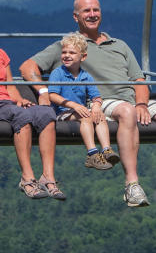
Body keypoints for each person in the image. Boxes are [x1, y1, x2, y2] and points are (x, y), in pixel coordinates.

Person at [20, 0, 156, 209]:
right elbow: (28, 67)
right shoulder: (70, 45)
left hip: (133, 99)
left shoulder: (119, 45)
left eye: (95, 10)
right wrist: (43, 91)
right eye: (86, 11)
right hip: (102, 101)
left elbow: (138, 80)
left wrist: (143, 104)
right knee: (126, 111)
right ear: (76, 16)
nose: (92, 15)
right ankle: (132, 185)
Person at [0, 0, 66, 200]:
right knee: (19, 116)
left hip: (6, 104)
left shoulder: (0, 54)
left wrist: (20, 100)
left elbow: (10, 86)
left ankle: (48, 177)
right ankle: (28, 178)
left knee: (45, 113)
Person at [46, 32, 119, 171]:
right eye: (64, 52)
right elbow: (53, 95)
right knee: (86, 117)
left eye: (72, 53)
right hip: (62, 112)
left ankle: (106, 149)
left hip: (79, 111)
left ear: (83, 57)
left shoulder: (86, 76)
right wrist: (72, 105)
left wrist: (97, 107)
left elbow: (96, 96)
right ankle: (92, 153)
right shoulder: (58, 73)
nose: (67, 55)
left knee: (99, 116)